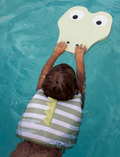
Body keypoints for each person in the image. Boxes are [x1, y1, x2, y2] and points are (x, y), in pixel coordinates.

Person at [10, 41, 87, 157]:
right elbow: (81, 83)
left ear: (45, 84)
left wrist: (55, 53)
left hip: (25, 148)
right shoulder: (77, 102)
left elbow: (43, 73)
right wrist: (79, 58)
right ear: (75, 91)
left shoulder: (41, 90)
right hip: (51, 153)